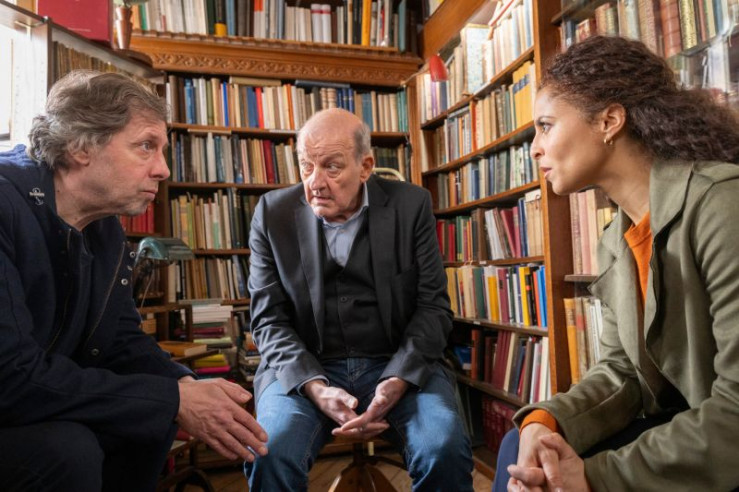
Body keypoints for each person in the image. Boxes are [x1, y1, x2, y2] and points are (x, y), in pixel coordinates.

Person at [0, 70, 268, 492]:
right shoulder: (4, 205)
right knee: (68, 450)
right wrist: (172, 400)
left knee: (147, 423)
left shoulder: (104, 227)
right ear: (81, 145)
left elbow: (120, 338)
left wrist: (183, 385)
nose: (163, 169)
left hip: (35, 398)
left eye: (162, 151)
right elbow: (12, 377)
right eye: (146, 146)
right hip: (13, 396)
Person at [492, 35, 739, 492]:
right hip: (688, 428)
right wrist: (546, 420)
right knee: (522, 447)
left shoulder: (722, 204)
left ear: (609, 120)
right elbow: (622, 373)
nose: (535, 148)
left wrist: (594, 475)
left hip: (724, 436)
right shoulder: (614, 240)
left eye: (546, 126)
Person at [245, 107, 474, 490]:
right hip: (304, 368)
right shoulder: (272, 213)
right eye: (306, 166)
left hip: (398, 361)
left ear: (365, 166)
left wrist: (398, 377)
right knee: (270, 450)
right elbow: (267, 320)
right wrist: (315, 386)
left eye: (331, 167)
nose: (315, 182)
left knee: (443, 448)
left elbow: (433, 308)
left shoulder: (411, 206)